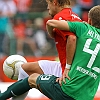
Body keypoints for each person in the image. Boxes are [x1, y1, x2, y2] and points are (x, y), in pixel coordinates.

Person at [1, 5, 100, 100]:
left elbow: (51, 23)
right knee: (27, 69)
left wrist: (52, 33)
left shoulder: (84, 28)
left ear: (89, 20)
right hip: (86, 97)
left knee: (32, 79)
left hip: (68, 91)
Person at [12, 0, 82, 99]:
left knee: (26, 72)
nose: (47, 7)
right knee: (24, 68)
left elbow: (72, 38)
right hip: (69, 67)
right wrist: (50, 26)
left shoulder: (60, 16)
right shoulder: (75, 17)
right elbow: (57, 35)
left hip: (68, 71)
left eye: (48, 4)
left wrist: (68, 67)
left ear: (55, 3)